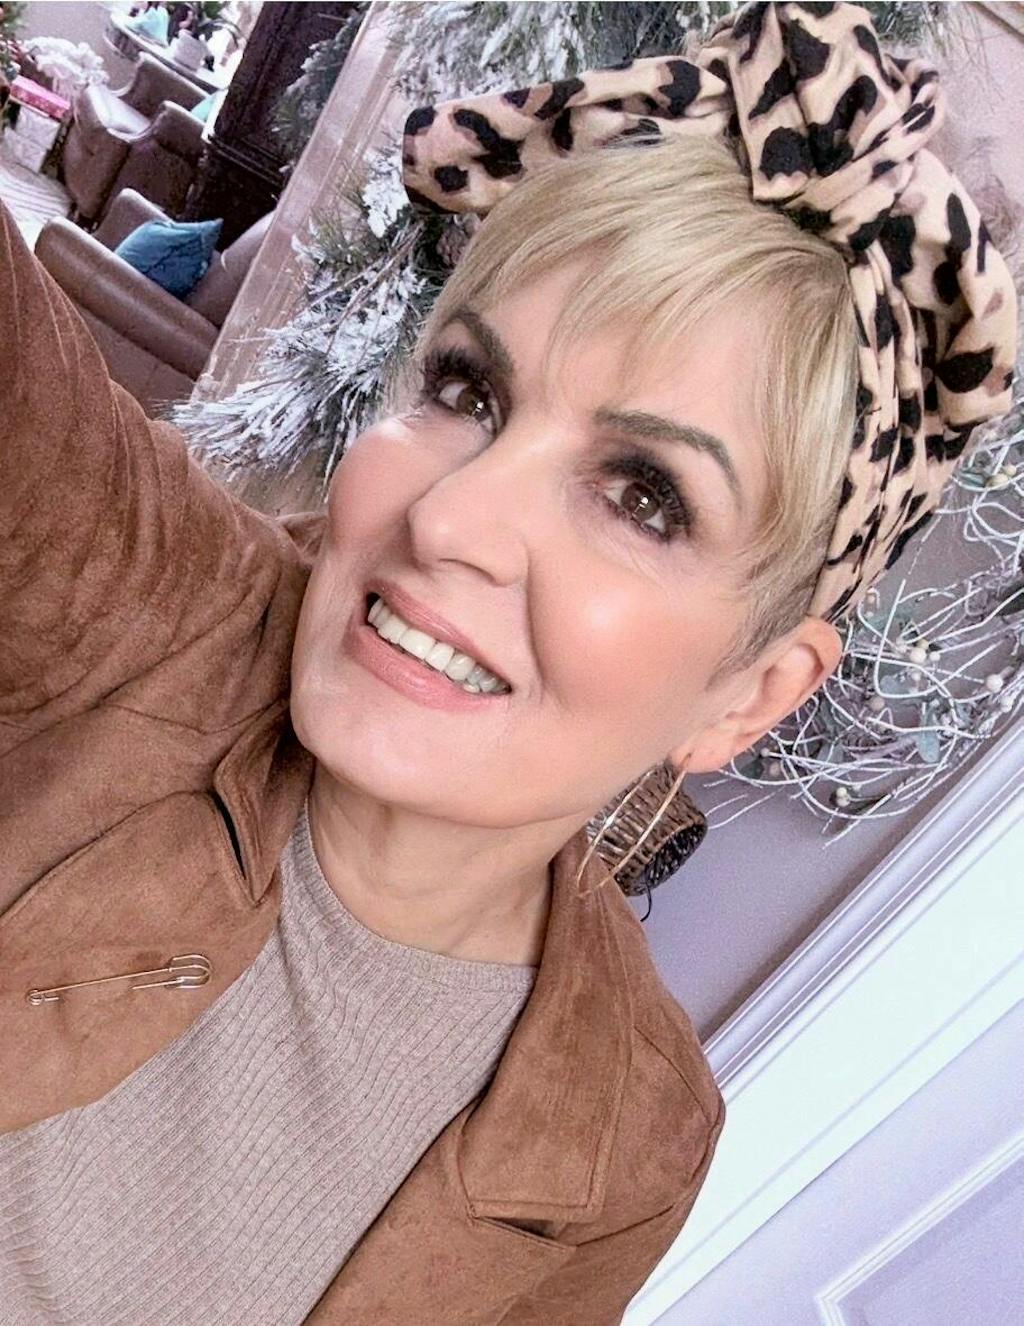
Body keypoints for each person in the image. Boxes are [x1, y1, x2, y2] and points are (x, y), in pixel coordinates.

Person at [0, 2, 1016, 1322]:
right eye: (469, 392)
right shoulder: (143, 595)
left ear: (748, 695)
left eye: (644, 497)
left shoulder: (627, 1139)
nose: (451, 519)